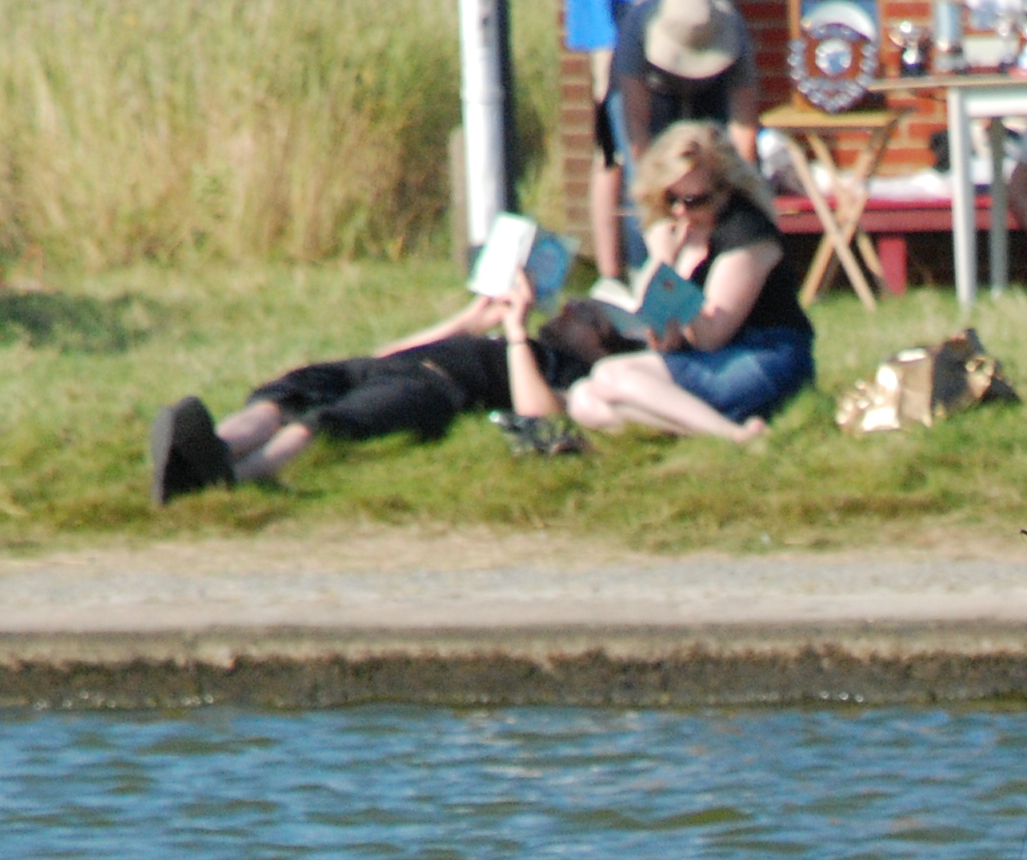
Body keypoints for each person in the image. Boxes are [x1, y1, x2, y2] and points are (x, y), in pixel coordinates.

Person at [147, 282, 589, 501]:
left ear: (598, 340)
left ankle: (227, 480)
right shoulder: (497, 340)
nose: (569, 310)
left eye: (585, 316)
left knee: (324, 422)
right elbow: (390, 352)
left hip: (433, 388)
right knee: (283, 396)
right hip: (377, 365)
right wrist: (465, 323)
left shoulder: (563, 365)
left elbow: (542, 414)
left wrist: (516, 333)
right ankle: (213, 448)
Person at [532, 122, 816, 445]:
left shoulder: (746, 235)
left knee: (611, 375)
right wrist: (665, 334)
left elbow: (711, 335)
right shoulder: (685, 231)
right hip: (713, 358)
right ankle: (708, 428)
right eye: (671, 199)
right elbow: (682, 329)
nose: (681, 211)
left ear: (725, 189)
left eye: (695, 200)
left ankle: (732, 435)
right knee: (585, 398)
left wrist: (666, 265)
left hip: (764, 356)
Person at [591, 0, 768, 297]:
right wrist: (657, 207)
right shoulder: (638, 27)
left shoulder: (731, 27)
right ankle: (637, 279)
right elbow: (635, 125)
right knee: (638, 182)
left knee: (710, 180)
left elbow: (743, 125)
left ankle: (718, 276)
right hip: (647, 94)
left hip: (710, 95)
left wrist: (739, 195)